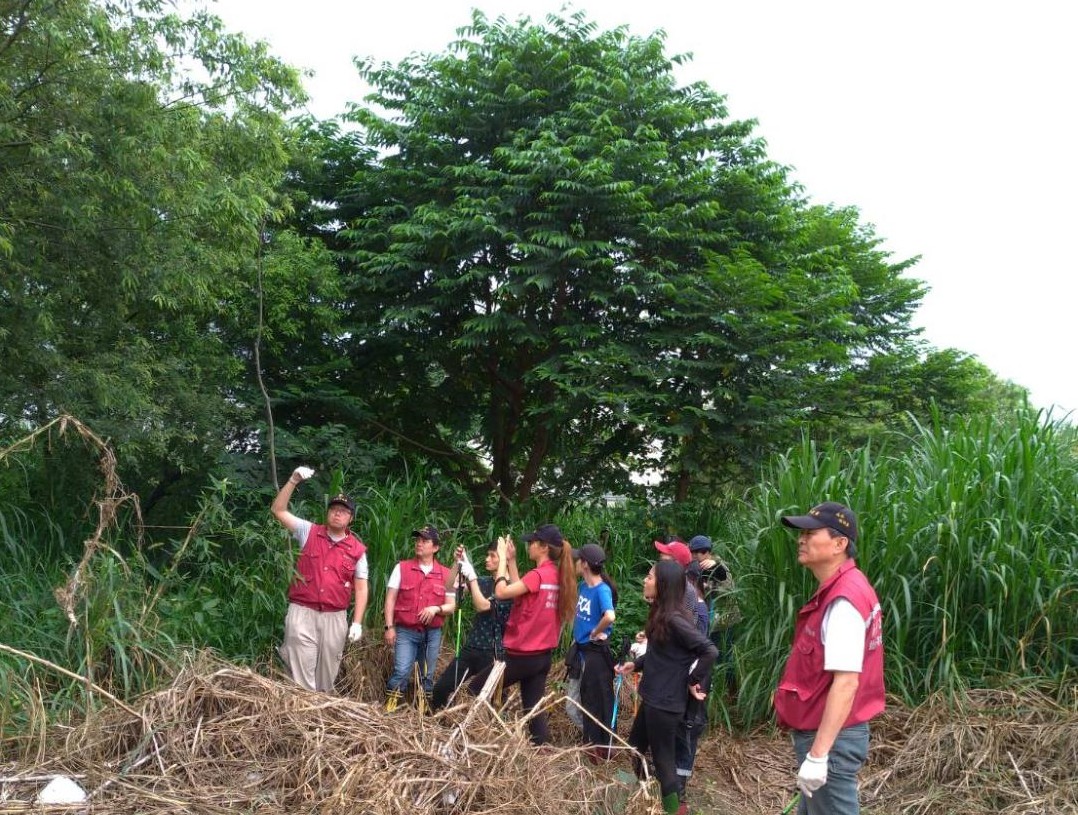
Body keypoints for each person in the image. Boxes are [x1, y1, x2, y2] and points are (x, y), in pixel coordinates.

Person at [777, 502, 885, 815]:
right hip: (829, 737)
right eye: (801, 533)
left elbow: (847, 682)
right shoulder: (841, 590)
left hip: (831, 741)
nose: (801, 539)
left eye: (811, 532)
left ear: (839, 544)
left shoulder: (844, 600)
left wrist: (819, 755)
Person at [616, 560, 717, 815]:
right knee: (635, 748)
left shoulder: (675, 619)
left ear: (662, 585)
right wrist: (635, 664)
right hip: (653, 697)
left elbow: (709, 651)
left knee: (664, 763)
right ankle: (646, 799)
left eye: (649, 577)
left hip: (666, 703)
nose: (645, 581)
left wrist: (692, 680)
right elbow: (661, 654)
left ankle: (675, 810)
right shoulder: (661, 614)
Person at [270, 465, 368, 693]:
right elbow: (278, 510)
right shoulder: (309, 531)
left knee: (326, 675)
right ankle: (299, 719)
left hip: (335, 617)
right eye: (333, 508)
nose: (337, 513)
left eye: (343, 511)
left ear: (350, 518)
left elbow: (361, 589)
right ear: (327, 513)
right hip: (302, 611)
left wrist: (357, 622)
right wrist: (293, 480)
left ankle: (319, 721)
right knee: (300, 675)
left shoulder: (357, 550)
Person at [493, 524, 578, 745]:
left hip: (522, 656)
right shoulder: (556, 576)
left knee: (475, 689)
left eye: (532, 542)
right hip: (542, 658)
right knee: (533, 711)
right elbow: (522, 592)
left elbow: (502, 592)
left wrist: (502, 559)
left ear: (543, 547)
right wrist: (512, 562)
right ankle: (543, 752)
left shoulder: (538, 575)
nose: (528, 546)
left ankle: (473, 738)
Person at [429, 541, 513, 710]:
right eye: (487, 555)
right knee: (441, 689)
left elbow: (482, 606)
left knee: (490, 701)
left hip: (493, 653)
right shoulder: (483, 581)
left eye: (492, 556)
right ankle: (440, 721)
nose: (487, 559)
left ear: (503, 559)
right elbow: (450, 587)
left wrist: (472, 577)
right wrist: (458, 564)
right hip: (471, 647)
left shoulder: (510, 589)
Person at [383, 525, 456, 711]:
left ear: (436, 548)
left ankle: (423, 713)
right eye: (417, 540)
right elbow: (390, 599)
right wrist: (389, 627)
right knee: (402, 671)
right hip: (406, 631)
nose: (419, 544)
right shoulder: (402, 568)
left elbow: (451, 606)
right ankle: (389, 710)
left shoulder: (447, 574)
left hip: (432, 633)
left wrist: (435, 608)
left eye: (425, 541)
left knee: (427, 675)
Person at [569, 543, 617, 760]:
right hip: (579, 652)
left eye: (579, 560)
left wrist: (596, 631)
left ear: (585, 564)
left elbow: (610, 616)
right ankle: (590, 739)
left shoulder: (602, 590)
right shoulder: (583, 587)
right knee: (573, 704)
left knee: (595, 702)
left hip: (595, 654)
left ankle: (597, 745)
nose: (576, 562)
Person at [688, 534, 742, 684]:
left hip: (725, 621)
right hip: (710, 621)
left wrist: (709, 586)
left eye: (695, 553)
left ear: (705, 552)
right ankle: (714, 687)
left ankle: (731, 691)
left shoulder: (720, 566)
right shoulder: (699, 567)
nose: (693, 557)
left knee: (725, 657)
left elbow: (730, 590)